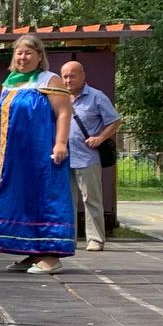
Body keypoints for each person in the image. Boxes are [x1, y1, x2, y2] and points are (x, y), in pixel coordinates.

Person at [0, 34, 75, 274]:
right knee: (20, 199)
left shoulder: (49, 80)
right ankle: (33, 252)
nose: (23, 58)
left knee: (43, 197)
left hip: (41, 152)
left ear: (39, 56)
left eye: (28, 53)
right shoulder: (10, 83)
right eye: (19, 53)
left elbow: (65, 112)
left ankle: (51, 256)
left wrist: (60, 143)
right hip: (14, 156)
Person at [60, 60, 121, 251]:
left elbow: (115, 120)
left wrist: (100, 138)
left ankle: (95, 239)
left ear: (83, 76)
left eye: (72, 75)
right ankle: (67, 237)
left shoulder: (96, 97)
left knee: (91, 199)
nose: (68, 80)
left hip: (87, 157)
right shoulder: (58, 97)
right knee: (66, 200)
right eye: (65, 76)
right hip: (63, 158)